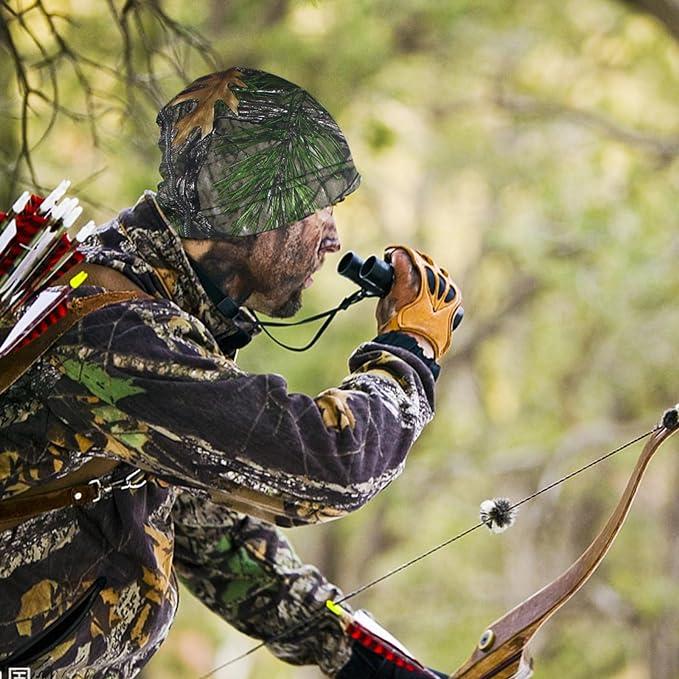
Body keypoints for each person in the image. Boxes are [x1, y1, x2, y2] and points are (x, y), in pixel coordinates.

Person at [0, 67, 462, 678]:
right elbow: (329, 464)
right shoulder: (108, 333)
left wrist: (375, 666)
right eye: (318, 209)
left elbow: (211, 535)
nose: (333, 239)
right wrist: (409, 350)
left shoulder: (142, 314)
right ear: (255, 208)